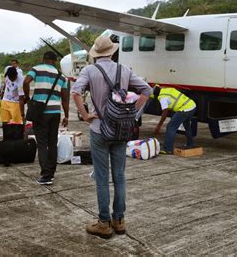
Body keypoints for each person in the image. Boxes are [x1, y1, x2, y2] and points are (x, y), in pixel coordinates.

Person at [71, 36, 151, 239]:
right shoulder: (124, 69)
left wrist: (86, 115)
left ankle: (104, 223)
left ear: (96, 54)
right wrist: (132, 113)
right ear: (113, 52)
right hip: (121, 130)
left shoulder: (89, 70)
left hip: (99, 129)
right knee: (120, 176)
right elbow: (147, 90)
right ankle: (120, 220)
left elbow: (76, 92)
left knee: (101, 177)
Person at [23, 51, 69, 186]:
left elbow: (26, 82)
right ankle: (51, 173)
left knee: (42, 143)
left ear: (43, 59)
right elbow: (65, 99)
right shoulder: (62, 76)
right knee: (52, 143)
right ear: (55, 61)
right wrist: (66, 116)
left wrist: (27, 97)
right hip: (55, 112)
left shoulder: (36, 69)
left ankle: (46, 175)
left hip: (41, 112)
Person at [152, 86, 197, 154]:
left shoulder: (162, 98)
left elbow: (165, 112)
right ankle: (190, 144)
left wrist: (159, 126)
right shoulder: (167, 90)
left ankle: (168, 149)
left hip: (184, 109)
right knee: (186, 125)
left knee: (170, 127)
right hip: (192, 105)